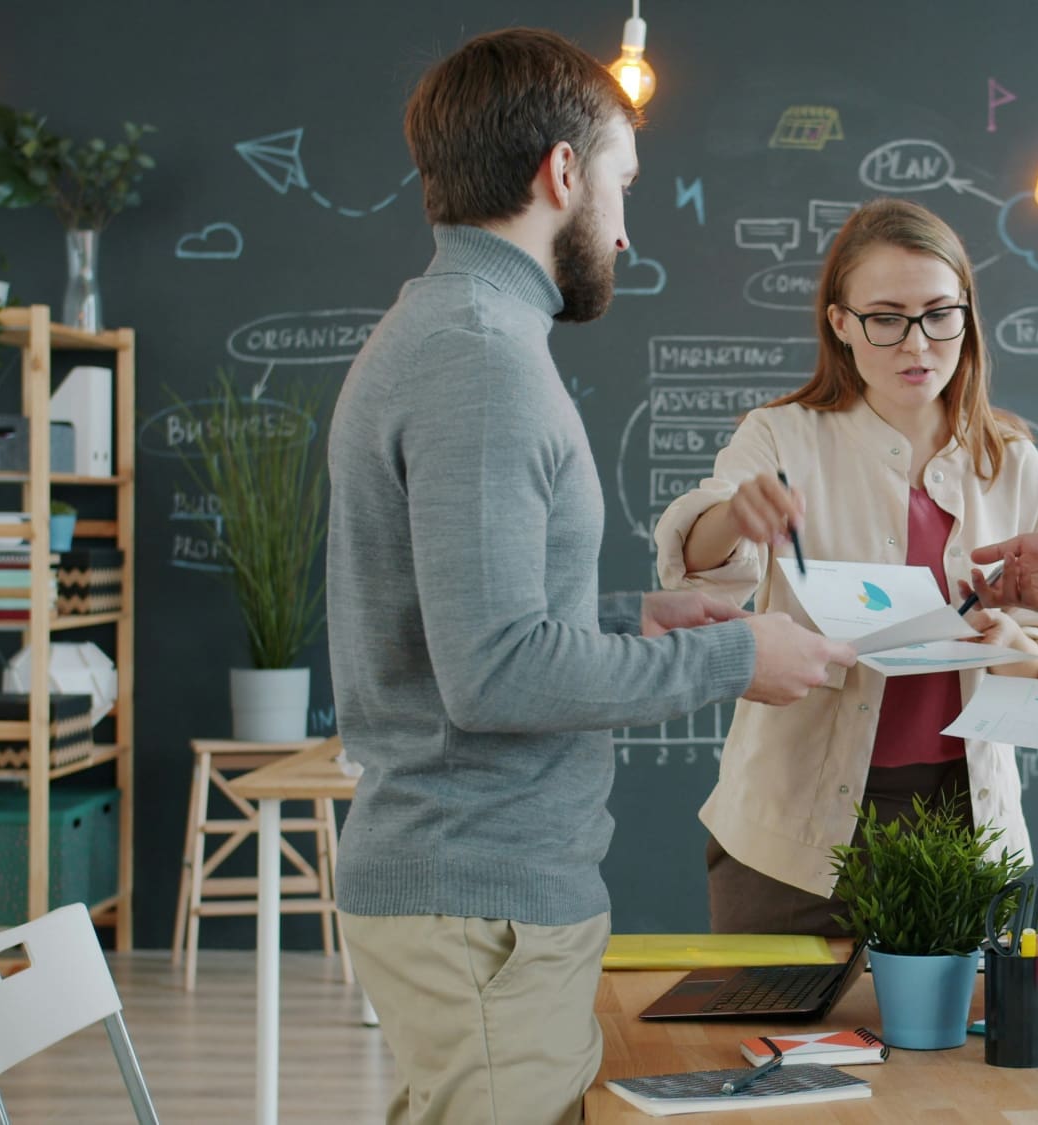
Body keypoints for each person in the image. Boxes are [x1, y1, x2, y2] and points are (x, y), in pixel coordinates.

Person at [325, 28, 853, 1125]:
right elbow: (496, 678)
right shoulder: (480, 357)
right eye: (619, 185)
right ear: (560, 173)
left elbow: (467, 626)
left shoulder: (456, 332)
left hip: (470, 898)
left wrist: (635, 617)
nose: (623, 226)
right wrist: (733, 654)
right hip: (479, 898)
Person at [653, 198, 1038, 934]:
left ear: (968, 316)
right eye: (886, 317)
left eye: (940, 314)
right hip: (793, 827)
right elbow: (701, 564)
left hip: (964, 824)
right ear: (840, 322)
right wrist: (736, 515)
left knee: (954, 1050)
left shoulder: (1015, 465)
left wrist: (1017, 649)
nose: (917, 344)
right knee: (776, 1042)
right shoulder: (780, 435)